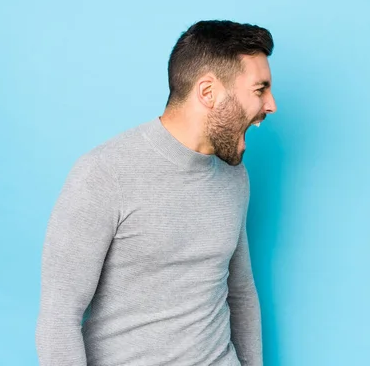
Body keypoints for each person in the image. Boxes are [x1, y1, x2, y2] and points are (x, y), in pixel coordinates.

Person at [35, 20, 277, 365]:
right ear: (208, 92)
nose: (271, 105)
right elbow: (59, 316)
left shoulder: (234, 176)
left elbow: (239, 293)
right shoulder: (103, 173)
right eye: (259, 89)